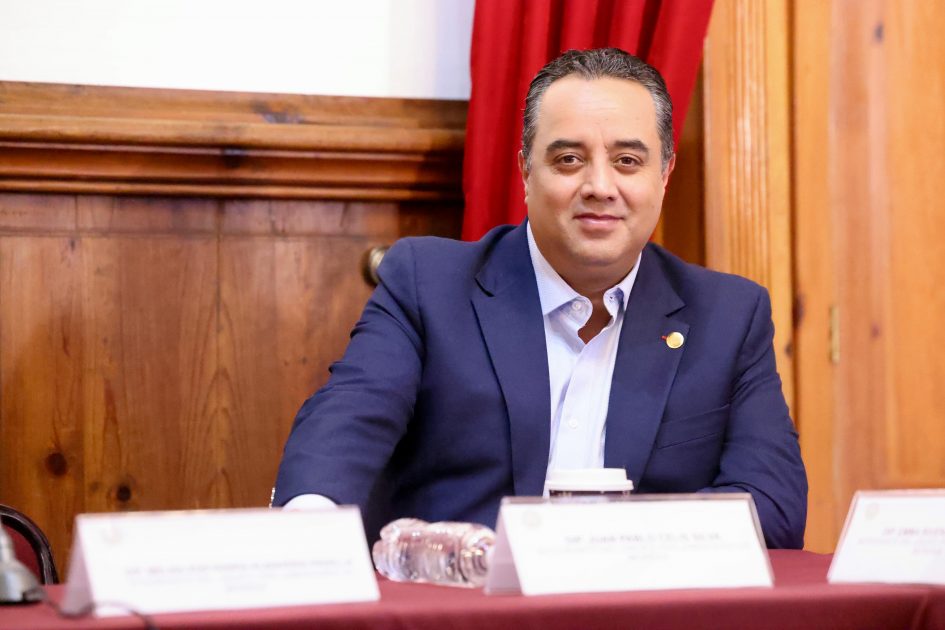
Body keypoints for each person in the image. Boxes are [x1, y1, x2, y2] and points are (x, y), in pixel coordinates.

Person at [273, 48, 807, 549]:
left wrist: (607, 546)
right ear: (526, 171)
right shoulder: (429, 284)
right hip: (466, 597)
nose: (600, 186)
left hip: (641, 597)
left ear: (663, 175)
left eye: (627, 161)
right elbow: (347, 419)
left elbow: (774, 505)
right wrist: (308, 529)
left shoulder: (728, 317)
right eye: (569, 159)